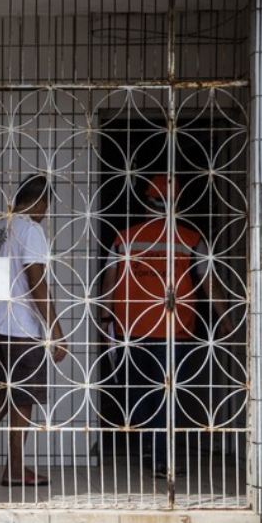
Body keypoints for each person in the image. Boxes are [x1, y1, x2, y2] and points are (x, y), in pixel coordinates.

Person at [100, 174, 234, 479]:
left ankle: (152, 446)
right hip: (174, 328)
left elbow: (108, 282)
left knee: (138, 391)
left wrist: (104, 321)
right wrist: (226, 320)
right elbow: (208, 282)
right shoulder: (190, 237)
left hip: (129, 328)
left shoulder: (124, 237)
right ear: (177, 204)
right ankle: (160, 456)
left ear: (146, 203)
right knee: (167, 394)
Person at [0, 174, 65, 487]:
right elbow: (36, 280)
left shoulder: (0, 229)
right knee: (24, 398)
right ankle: (16, 469)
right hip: (21, 326)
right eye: (46, 205)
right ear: (38, 201)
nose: (46, 213)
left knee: (9, 388)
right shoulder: (31, 228)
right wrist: (55, 328)